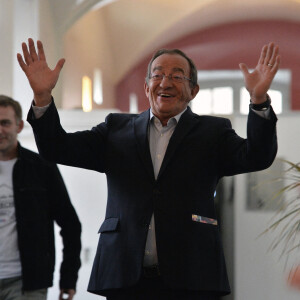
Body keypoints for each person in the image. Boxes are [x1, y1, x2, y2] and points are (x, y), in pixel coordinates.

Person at [17, 38, 280, 300]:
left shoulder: (212, 132)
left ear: (193, 90)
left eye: (177, 76)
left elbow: (257, 156)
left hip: (192, 275)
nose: (165, 83)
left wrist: (258, 101)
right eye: (158, 75)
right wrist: (42, 97)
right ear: (146, 87)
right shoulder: (115, 129)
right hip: (124, 275)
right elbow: (56, 148)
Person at [0, 95, 81, 300]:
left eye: (5, 123)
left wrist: (68, 278)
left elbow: (70, 224)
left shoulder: (41, 167)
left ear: (19, 126)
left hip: (27, 283)